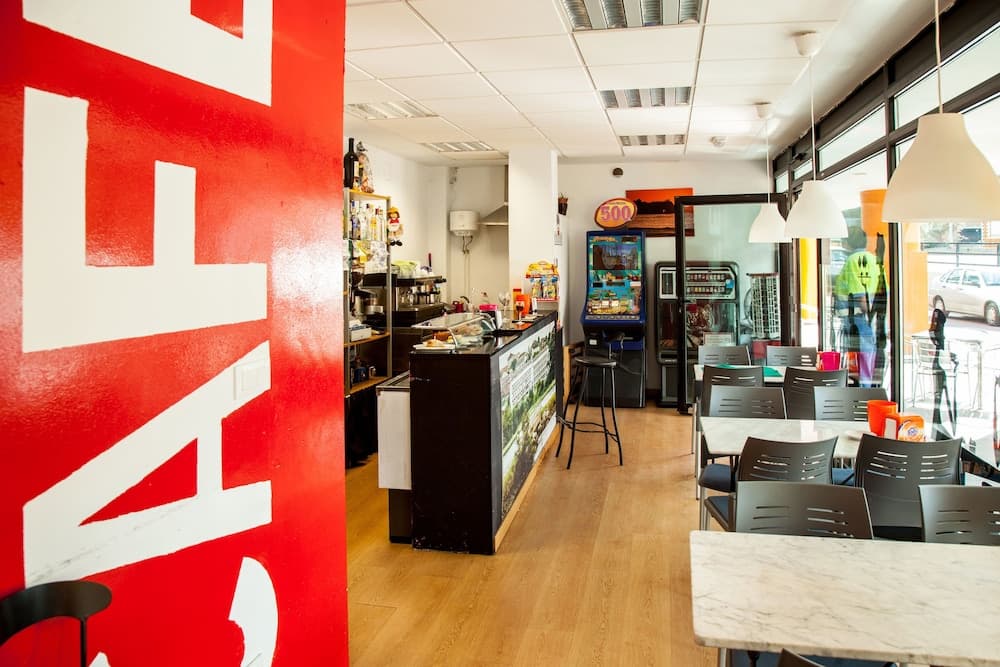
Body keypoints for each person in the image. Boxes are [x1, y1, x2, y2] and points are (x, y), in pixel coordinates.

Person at [834, 226, 884, 387]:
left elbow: (860, 293)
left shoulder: (854, 260)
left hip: (858, 319)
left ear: (848, 242)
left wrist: (867, 314)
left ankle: (862, 391)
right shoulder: (872, 259)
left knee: (860, 358)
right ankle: (865, 389)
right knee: (866, 356)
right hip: (867, 319)